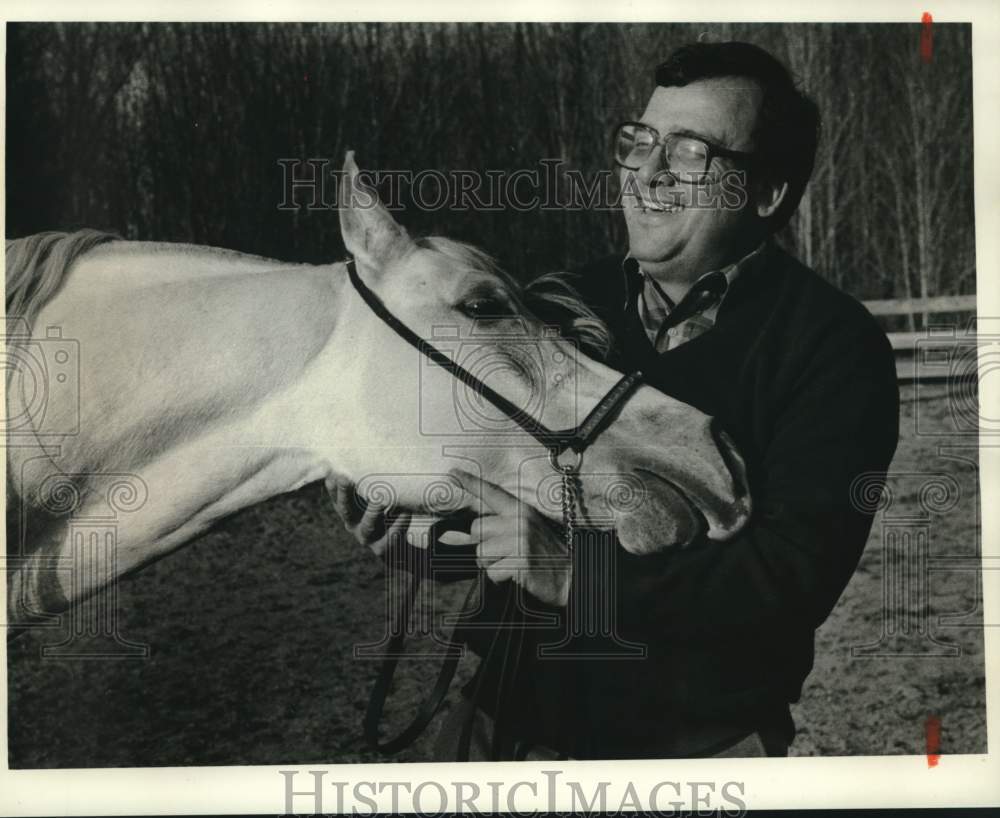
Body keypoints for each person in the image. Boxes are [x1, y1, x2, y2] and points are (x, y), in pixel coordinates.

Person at [330, 40, 899, 760]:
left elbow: (788, 581)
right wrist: (417, 538)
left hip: (696, 747)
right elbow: (500, 518)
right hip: (502, 722)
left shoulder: (835, 348)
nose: (649, 174)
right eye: (641, 141)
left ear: (767, 193)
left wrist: (579, 579)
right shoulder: (555, 304)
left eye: (691, 153)